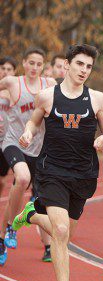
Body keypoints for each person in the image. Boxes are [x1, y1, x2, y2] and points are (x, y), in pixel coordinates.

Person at [12, 44, 103, 281]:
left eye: (89, 66)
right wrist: (28, 134)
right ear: (66, 65)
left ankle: (31, 214)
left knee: (65, 231)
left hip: (83, 174)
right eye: (79, 64)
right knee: (60, 230)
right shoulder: (46, 96)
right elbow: (33, 123)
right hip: (52, 170)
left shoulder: (97, 98)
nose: (84, 70)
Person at [0, 48, 56, 264]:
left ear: (43, 66)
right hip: (14, 142)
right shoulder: (13, 82)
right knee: (22, 179)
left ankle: (5, 235)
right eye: (30, 63)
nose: (34, 67)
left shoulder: (49, 84)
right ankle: (10, 229)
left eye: (38, 64)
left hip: (39, 148)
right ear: (24, 63)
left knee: (39, 199)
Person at [0, 57, 17, 265]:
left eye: (9, 69)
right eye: (3, 68)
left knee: (3, 181)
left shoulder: (16, 93)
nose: (5, 72)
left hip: (6, 143)